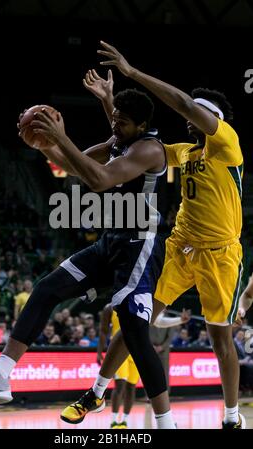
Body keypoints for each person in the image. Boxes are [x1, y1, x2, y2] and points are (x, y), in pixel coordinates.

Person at [0, 87, 176, 428]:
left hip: (140, 243)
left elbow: (99, 179)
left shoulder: (149, 149)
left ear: (142, 125)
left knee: (133, 331)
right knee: (47, 289)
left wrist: (60, 136)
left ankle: (165, 422)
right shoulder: (119, 141)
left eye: (123, 122)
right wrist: (47, 145)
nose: (115, 126)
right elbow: (75, 165)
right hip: (111, 241)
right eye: (113, 118)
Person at [68, 41, 245, 429]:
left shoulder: (227, 144)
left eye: (197, 115)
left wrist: (131, 73)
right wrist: (111, 101)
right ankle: (95, 392)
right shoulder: (185, 152)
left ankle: (231, 416)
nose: (187, 120)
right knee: (134, 318)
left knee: (220, 340)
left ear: (210, 119)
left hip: (221, 255)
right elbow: (130, 145)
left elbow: (183, 103)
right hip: (179, 249)